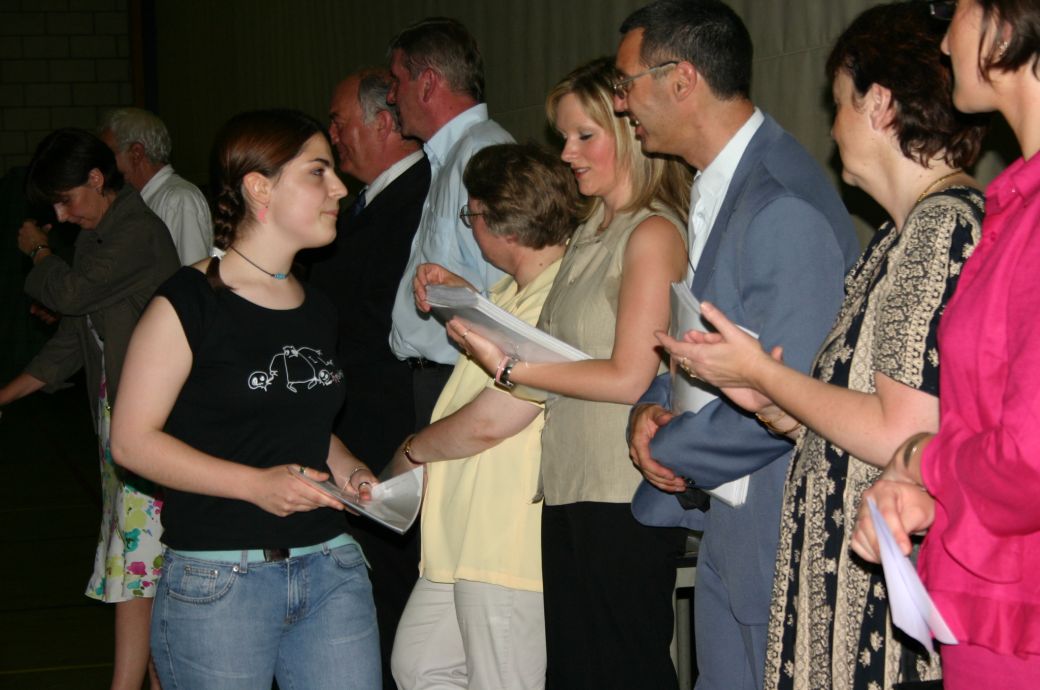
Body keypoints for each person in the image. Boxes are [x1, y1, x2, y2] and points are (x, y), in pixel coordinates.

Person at [659, 3, 988, 688]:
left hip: (880, 599)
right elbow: (852, 415)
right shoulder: (896, 239)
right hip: (841, 590)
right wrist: (772, 407)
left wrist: (765, 376)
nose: (832, 129)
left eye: (839, 103)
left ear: (879, 104)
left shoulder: (942, 230)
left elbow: (901, 430)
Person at [615, 2, 860, 688]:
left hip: (778, 532)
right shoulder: (726, 183)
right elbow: (702, 340)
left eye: (626, 83)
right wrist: (649, 411)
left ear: (681, 79)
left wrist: (669, 448)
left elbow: (798, 390)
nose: (621, 103)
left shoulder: (779, 200)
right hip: (737, 528)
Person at [109, 109, 381, 690]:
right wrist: (255, 485)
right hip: (220, 581)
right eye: (318, 172)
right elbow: (131, 442)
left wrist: (350, 470)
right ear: (260, 187)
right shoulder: (188, 302)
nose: (339, 188)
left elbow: (299, 419)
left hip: (330, 566)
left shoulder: (317, 306)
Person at [443, 57, 691, 689]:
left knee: (625, 670)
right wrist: (475, 318)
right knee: (577, 673)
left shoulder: (652, 233)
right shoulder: (588, 233)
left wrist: (511, 365)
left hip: (621, 490)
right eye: (563, 136)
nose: (567, 153)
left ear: (631, 130)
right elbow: (556, 358)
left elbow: (629, 376)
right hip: (569, 485)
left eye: (584, 135)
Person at [852, 1, 1040, 687]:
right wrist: (938, 500)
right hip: (991, 598)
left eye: (954, 7)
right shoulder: (1014, 205)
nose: (943, 36)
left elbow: (1030, 460)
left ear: (1004, 24)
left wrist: (919, 459)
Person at [389, 143, 581, 690]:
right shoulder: (511, 291)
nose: (469, 227)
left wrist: (414, 449)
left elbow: (493, 419)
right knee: (419, 666)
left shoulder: (561, 295)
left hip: (505, 536)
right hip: (462, 535)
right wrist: (465, 299)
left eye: (470, 215)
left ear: (505, 228)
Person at [0, 128, 179, 690]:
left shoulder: (137, 231)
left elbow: (71, 294)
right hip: (116, 422)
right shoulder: (96, 238)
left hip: (154, 426)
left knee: (137, 571)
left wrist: (39, 252)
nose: (62, 214)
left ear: (98, 179)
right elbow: (69, 343)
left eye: (66, 200)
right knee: (140, 571)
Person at [308, 66, 431, 690]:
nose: (333, 138)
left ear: (384, 123)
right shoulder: (367, 202)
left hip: (388, 419)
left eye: (339, 123)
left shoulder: (419, 194)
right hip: (353, 423)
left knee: (394, 591)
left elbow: (377, 318)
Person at [386, 17, 513, 427]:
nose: (390, 96)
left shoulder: (483, 155)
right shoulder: (453, 156)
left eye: (396, 81)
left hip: (466, 381)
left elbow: (512, 295)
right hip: (445, 378)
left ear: (427, 83)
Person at [100, 107, 213, 264]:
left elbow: (193, 272)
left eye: (109, 155)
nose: (103, 166)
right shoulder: (141, 200)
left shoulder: (179, 199)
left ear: (136, 153)